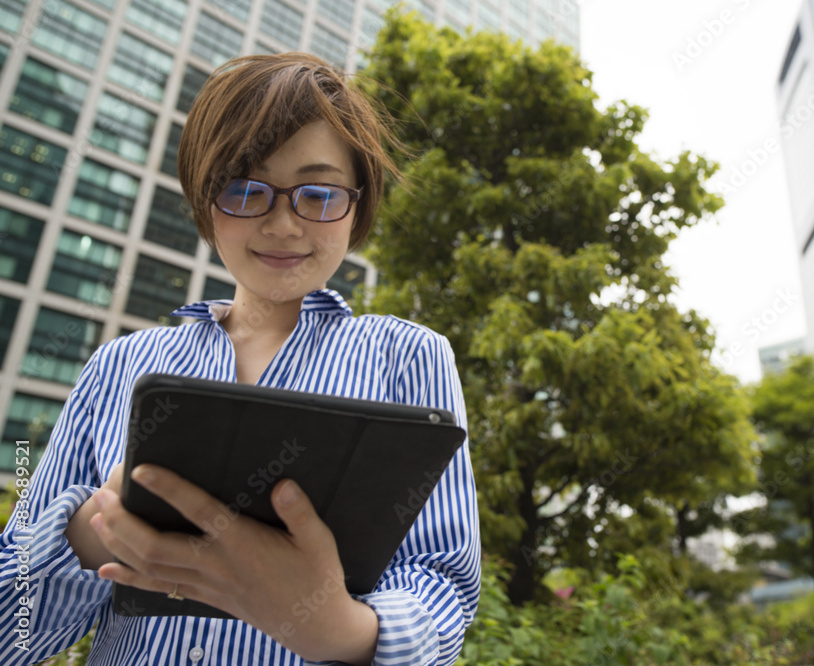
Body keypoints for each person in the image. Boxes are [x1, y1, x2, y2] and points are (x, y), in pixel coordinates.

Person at [0, 52, 480, 665]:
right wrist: (94, 530)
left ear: (357, 203)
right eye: (245, 189)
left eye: (319, 192)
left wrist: (335, 627)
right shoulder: (117, 365)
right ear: (207, 200)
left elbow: (443, 586)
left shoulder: (409, 357)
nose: (283, 224)